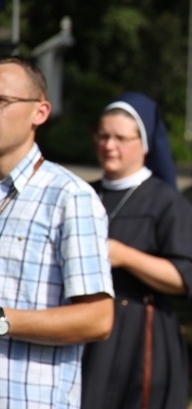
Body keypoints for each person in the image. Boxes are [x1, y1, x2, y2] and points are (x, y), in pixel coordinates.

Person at [0, 55, 114, 408]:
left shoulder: (69, 197)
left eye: (2, 101)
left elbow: (98, 319)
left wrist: (3, 320)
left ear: (40, 112)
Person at [81, 91, 192, 409]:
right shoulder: (81, 195)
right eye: (103, 135)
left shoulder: (168, 204)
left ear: (144, 143)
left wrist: (123, 255)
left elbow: (185, 278)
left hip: (140, 336)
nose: (109, 145)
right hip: (84, 330)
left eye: (120, 137)